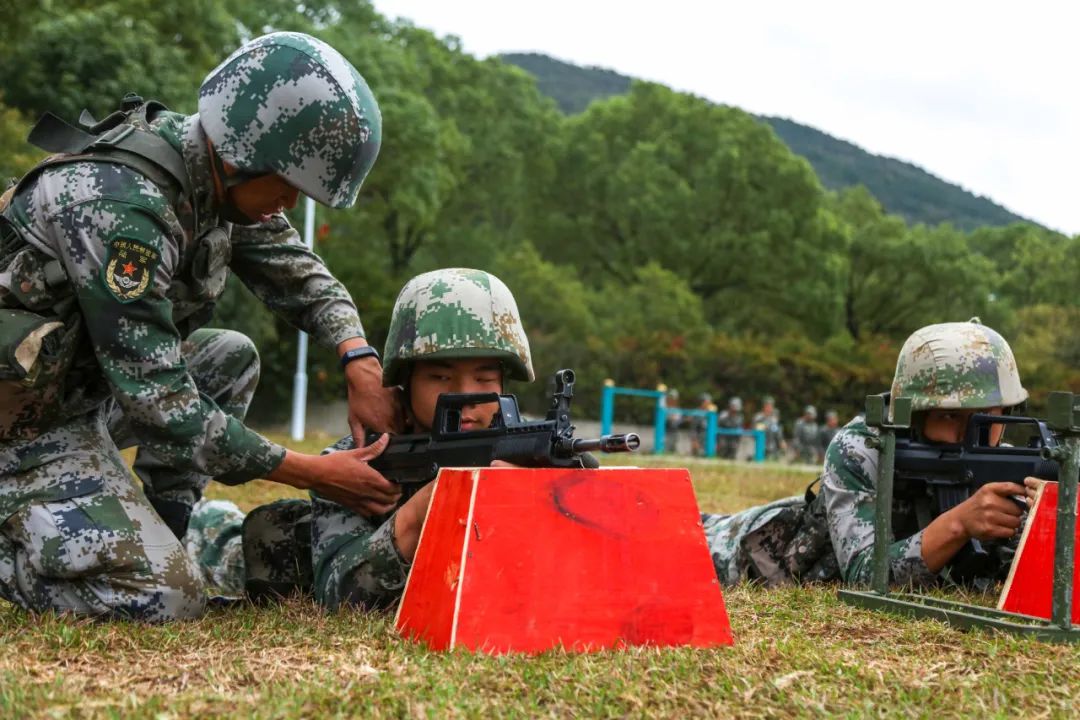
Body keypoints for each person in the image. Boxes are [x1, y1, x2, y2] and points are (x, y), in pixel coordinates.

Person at [0, 32, 404, 621]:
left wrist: (357, 358)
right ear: (245, 154)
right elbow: (163, 402)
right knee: (164, 599)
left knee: (228, 356)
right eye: (290, 185)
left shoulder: (216, 183)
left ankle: (164, 535)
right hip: (19, 427)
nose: (290, 203)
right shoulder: (122, 210)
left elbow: (301, 277)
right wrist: (307, 471)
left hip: (73, 396)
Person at [188, 268, 557, 610]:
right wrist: (421, 513)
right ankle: (194, 515)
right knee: (226, 539)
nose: (464, 398)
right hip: (279, 560)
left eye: (483, 379)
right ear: (404, 383)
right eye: (440, 378)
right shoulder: (362, 458)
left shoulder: (522, 445)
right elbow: (343, 596)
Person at [702, 319, 1034, 590]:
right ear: (913, 415)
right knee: (681, 533)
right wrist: (959, 523)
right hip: (756, 556)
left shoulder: (1004, 466)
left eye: (986, 418)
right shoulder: (863, 448)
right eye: (949, 416)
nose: (967, 434)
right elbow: (864, 577)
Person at [752, 395, 785, 460]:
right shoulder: (758, 418)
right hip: (761, 448)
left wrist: (781, 441)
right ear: (764, 406)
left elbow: (777, 432)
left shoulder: (774, 419)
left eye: (771, 406)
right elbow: (757, 432)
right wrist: (765, 427)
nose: (769, 408)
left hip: (773, 448)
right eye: (768, 406)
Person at [690, 392, 716, 456]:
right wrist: (694, 441)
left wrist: (714, 443)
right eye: (707, 402)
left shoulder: (711, 413)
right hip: (699, 441)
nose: (708, 404)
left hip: (708, 442)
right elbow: (693, 429)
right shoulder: (697, 413)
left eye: (709, 402)